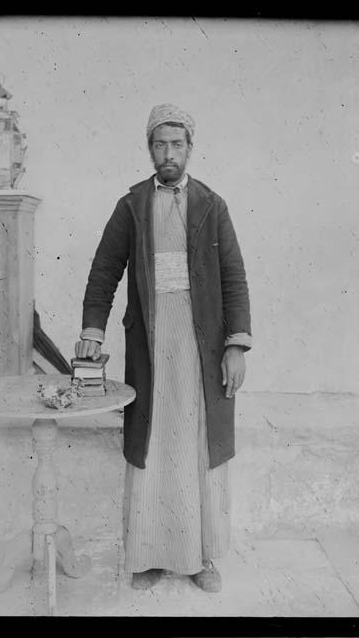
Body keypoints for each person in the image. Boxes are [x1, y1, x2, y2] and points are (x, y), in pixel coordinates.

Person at [75, 103, 251, 592]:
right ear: (149, 148)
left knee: (196, 448)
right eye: (160, 144)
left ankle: (201, 559)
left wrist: (235, 346)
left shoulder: (212, 206)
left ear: (190, 149)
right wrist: (92, 327)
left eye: (177, 144)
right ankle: (150, 556)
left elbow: (234, 279)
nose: (168, 153)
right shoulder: (131, 205)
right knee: (153, 448)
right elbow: (104, 271)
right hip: (152, 348)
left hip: (201, 349)